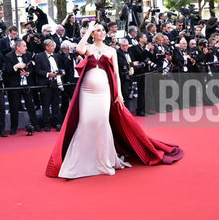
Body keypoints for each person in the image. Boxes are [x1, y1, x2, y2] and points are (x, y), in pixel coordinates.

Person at [46, 21, 184, 179]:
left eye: (102, 30)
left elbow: (116, 74)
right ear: (93, 34)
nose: (101, 32)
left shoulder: (111, 50)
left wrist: (118, 93)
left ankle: (104, 160)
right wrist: (88, 30)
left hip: (104, 91)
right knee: (85, 122)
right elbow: (79, 49)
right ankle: (81, 161)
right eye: (98, 30)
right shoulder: (89, 48)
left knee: (102, 123)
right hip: (86, 91)